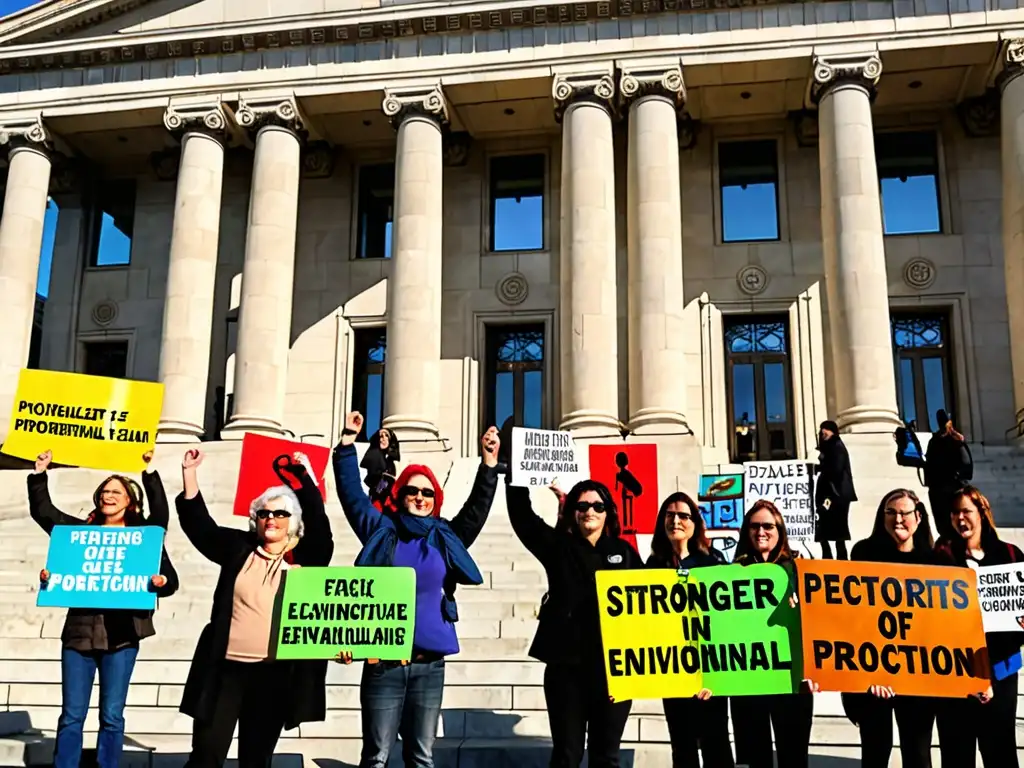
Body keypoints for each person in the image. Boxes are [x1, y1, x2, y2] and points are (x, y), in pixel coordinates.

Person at [333, 411, 500, 768]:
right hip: (384, 665)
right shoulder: (382, 529)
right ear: (399, 493)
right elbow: (353, 498)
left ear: (435, 498)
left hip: (429, 665)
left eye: (427, 492)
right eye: (412, 490)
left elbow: (475, 512)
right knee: (376, 758)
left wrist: (488, 465)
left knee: (421, 758)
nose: (420, 497)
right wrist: (347, 444)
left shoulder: (445, 537)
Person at [176, 447, 334, 768]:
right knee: (206, 755)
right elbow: (201, 528)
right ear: (255, 520)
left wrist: (304, 480)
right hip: (224, 670)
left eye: (280, 514)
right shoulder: (239, 548)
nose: (271, 519)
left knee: (256, 759)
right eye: (264, 514)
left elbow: (319, 524)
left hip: (273, 676)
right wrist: (189, 475)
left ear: (293, 523)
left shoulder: (308, 560)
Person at [29, 449, 178, 768]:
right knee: (72, 715)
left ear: (129, 501)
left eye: (116, 492)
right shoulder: (76, 536)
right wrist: (40, 475)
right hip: (79, 637)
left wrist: (148, 473)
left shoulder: (145, 539)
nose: (108, 496)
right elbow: (45, 513)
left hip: (122, 638)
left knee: (111, 715)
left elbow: (171, 572)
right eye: (104, 492)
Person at [506, 475, 643, 768]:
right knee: (567, 754)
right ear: (573, 511)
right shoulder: (558, 547)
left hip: (614, 671)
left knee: (606, 756)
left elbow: (652, 604)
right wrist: (516, 472)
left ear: (609, 512)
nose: (590, 510)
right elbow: (522, 517)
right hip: (566, 670)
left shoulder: (626, 553)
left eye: (597, 505)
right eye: (582, 505)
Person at [844, 489, 938, 768]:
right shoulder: (862, 553)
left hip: (918, 677)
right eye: (890, 512)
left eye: (904, 513)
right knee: (875, 750)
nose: (897, 519)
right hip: (873, 678)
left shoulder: (935, 561)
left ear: (918, 518)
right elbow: (850, 617)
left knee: (918, 753)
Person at [934, 484, 1021, 768]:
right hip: (955, 676)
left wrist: (989, 680)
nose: (961, 519)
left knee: (1001, 753)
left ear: (982, 514)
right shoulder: (940, 559)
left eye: (967, 511)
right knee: (957, 755)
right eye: (955, 513)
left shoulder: (1010, 555)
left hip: (1001, 674)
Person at [645, 492, 733, 768]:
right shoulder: (652, 566)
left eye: (683, 515)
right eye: (670, 515)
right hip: (672, 674)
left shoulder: (713, 562)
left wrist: (714, 679)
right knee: (682, 748)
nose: (676, 521)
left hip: (709, 676)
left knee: (716, 745)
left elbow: (727, 622)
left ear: (695, 522)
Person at [731, 500, 814, 768]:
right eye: (754, 526)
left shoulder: (801, 570)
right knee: (757, 760)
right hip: (749, 681)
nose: (761, 531)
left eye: (768, 525)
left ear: (780, 530)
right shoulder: (732, 573)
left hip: (792, 681)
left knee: (794, 757)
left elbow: (820, 621)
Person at [924, 410, 971, 540]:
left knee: (945, 524)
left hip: (941, 488)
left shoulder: (935, 441)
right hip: (950, 487)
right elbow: (966, 462)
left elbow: (929, 463)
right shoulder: (955, 438)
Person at [814, 420, 857, 560]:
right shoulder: (829, 446)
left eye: (826, 429)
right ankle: (834, 557)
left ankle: (839, 558)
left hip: (835, 494)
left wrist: (828, 497)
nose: (823, 432)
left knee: (835, 528)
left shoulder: (836, 446)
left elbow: (835, 470)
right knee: (828, 528)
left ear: (833, 431)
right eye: (821, 430)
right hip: (832, 493)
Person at [360, 427, 400, 508]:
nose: (383, 439)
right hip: (377, 501)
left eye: (386, 436)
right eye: (381, 436)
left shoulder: (390, 461)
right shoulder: (374, 455)